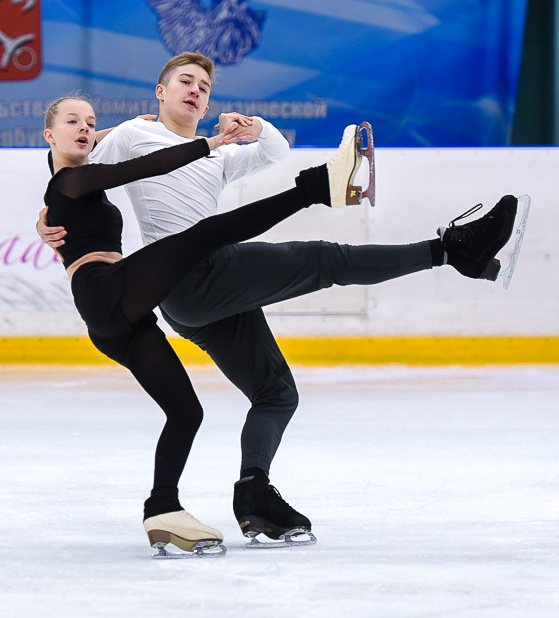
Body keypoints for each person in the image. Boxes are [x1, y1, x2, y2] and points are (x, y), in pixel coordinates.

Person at [38, 52, 522, 548]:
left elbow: (271, 149)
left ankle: (254, 496)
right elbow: (71, 175)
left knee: (275, 393)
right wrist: (49, 211)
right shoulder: (131, 137)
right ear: (159, 92)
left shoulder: (220, 155)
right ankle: (449, 249)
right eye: (184, 80)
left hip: (190, 294)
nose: (194, 89)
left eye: (203, 86)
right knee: (323, 259)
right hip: (187, 275)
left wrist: (244, 129)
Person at [42, 94, 373, 557]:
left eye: (91, 121)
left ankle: (162, 509)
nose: (84, 127)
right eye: (72, 121)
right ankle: (317, 187)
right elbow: (134, 171)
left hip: (117, 322)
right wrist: (207, 143)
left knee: (186, 412)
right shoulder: (69, 185)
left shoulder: (68, 183)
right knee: (201, 239)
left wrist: (100, 136)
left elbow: (81, 156)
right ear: (48, 134)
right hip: (105, 292)